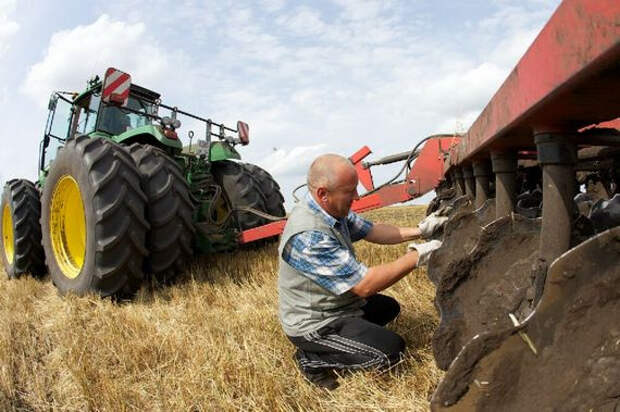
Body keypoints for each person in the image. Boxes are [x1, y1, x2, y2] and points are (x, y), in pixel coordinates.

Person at [278, 153, 447, 390]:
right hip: (314, 322)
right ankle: (312, 359)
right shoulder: (308, 236)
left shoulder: (331, 212)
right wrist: (419, 255)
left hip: (338, 304)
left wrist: (421, 230)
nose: (356, 197)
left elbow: (373, 231)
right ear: (323, 194)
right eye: (350, 191)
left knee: (389, 308)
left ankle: (340, 342)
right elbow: (365, 284)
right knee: (389, 352)